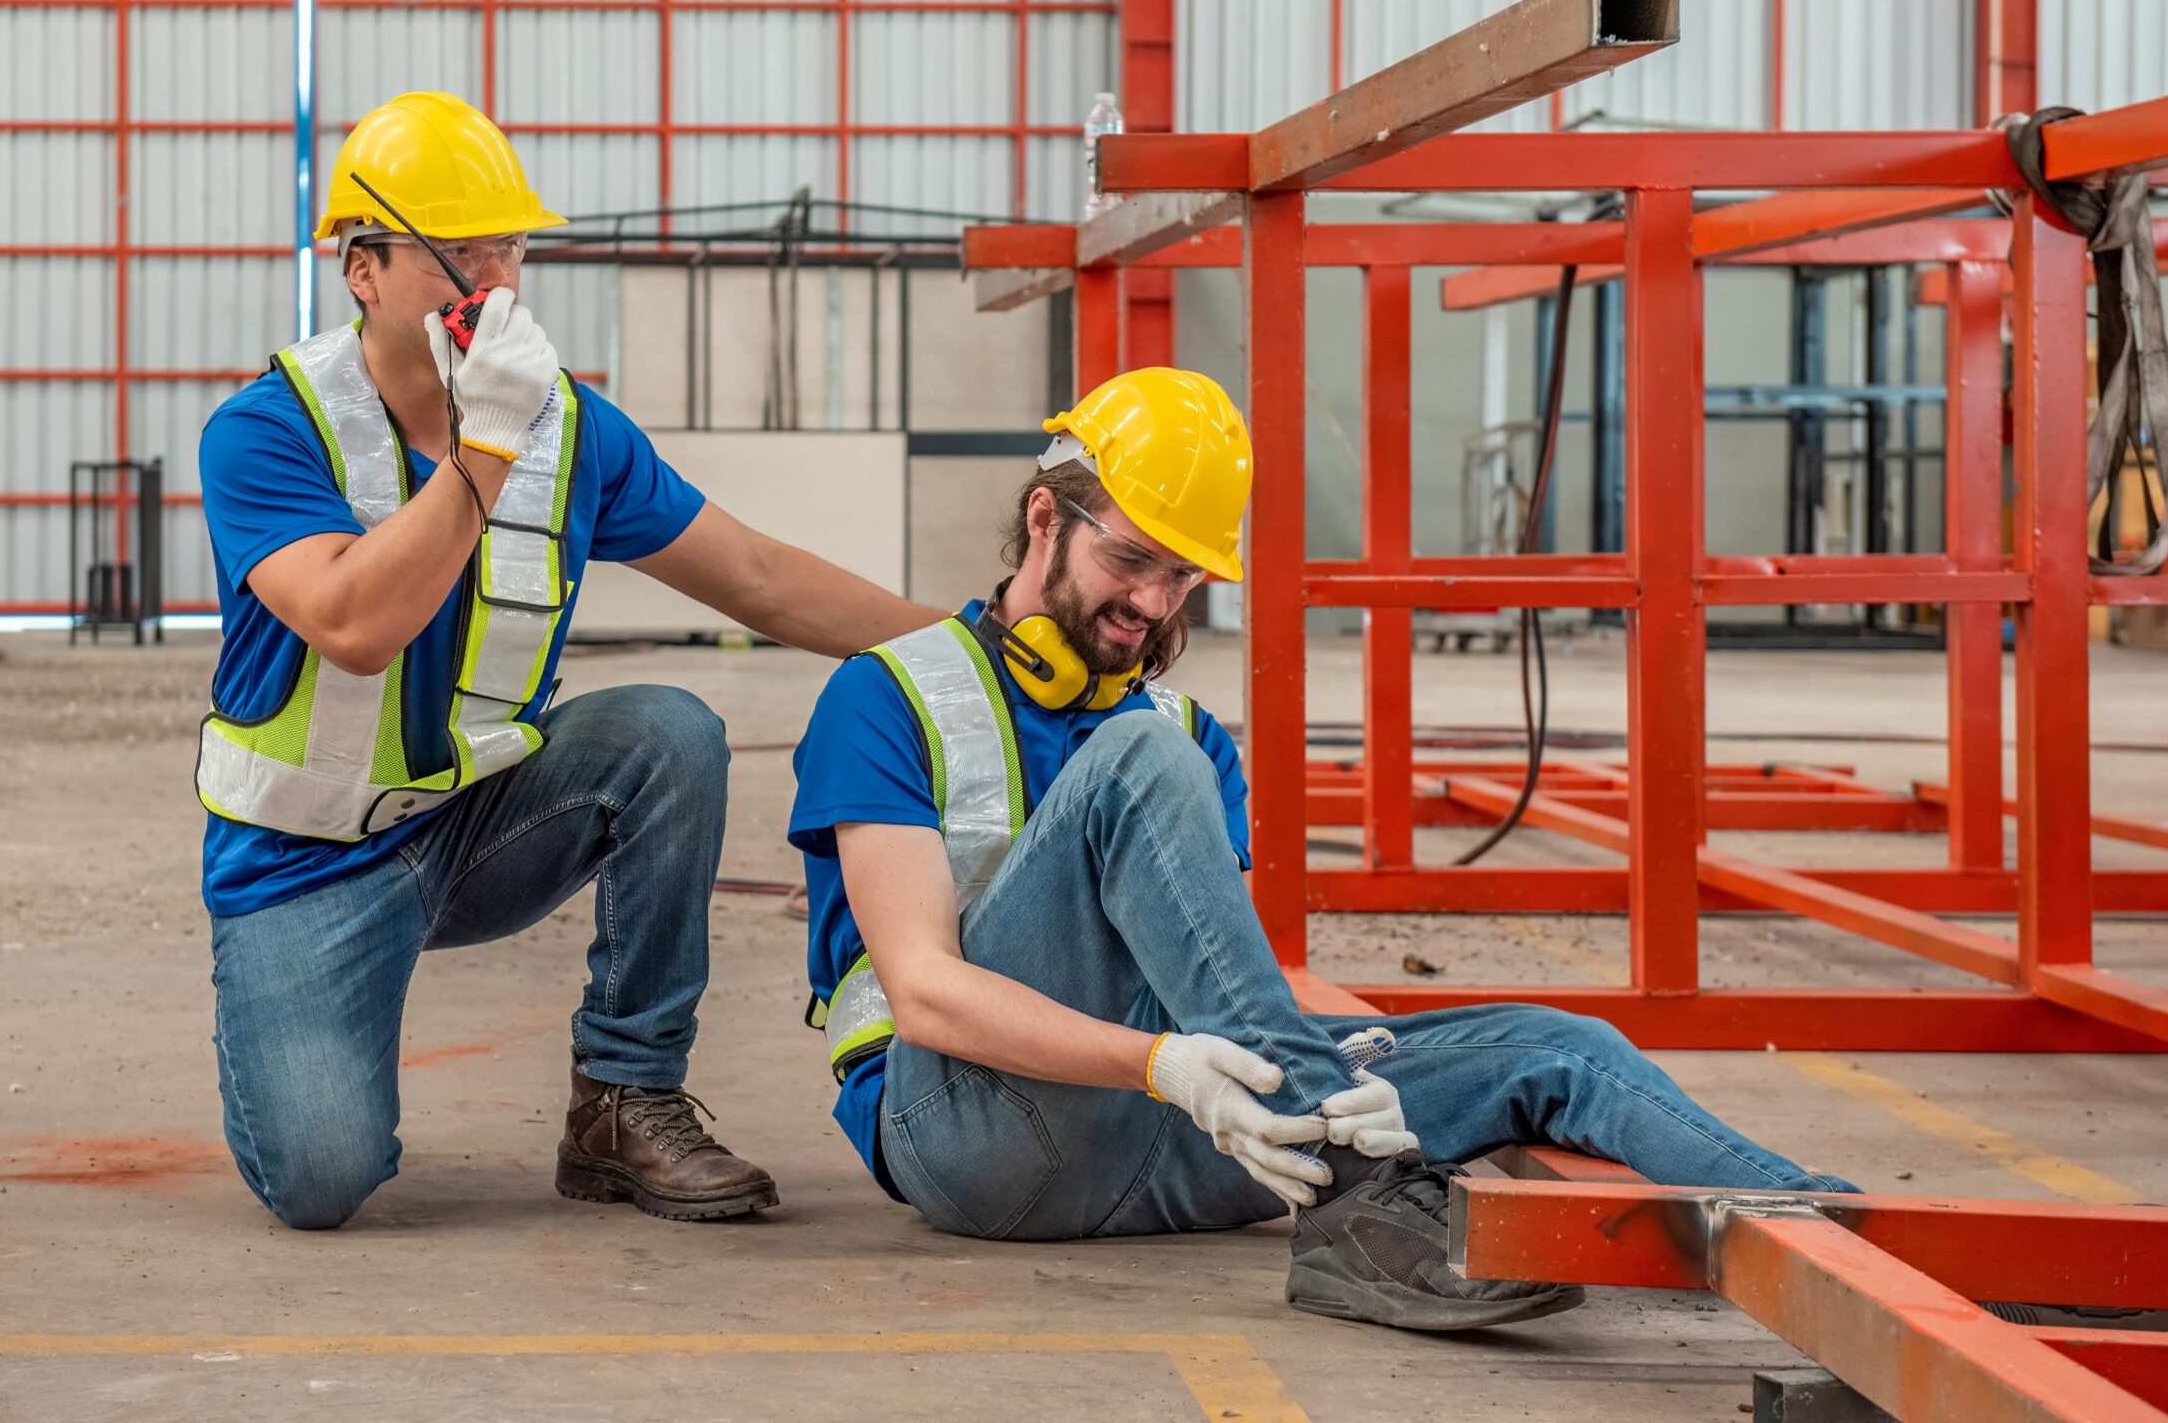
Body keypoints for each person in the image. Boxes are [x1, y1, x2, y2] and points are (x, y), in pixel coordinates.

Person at [786, 368, 1857, 1332]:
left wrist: (1354, 1075)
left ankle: (1857, 1243)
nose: (1152, 604)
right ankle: (1356, 1203)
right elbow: (921, 992)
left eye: (1183, 578)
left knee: (1557, 1046)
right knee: (1141, 756)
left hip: (1192, 1129)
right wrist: (1163, 1064)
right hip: (974, 1137)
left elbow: (1232, 977)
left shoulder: (1185, 730)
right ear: (1042, 518)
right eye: (1130, 559)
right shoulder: (892, 694)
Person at [197, 91, 938, 1231]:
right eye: (459, 253)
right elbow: (351, 621)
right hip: (307, 860)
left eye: (509, 247)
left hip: (477, 823)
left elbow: (757, 577)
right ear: (363, 268)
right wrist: (483, 448)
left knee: (667, 733)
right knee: (320, 1180)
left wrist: (972, 646)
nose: (491, 282)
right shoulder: (266, 430)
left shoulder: (573, 430)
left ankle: (624, 1099)